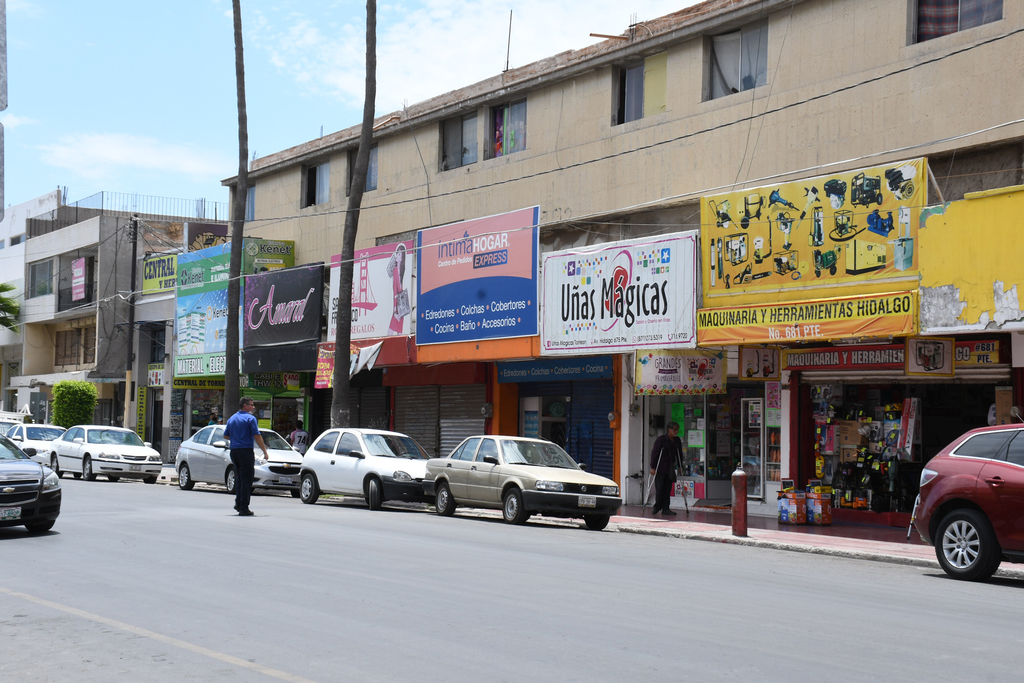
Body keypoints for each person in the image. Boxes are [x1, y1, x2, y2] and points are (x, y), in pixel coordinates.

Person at [224, 397, 269, 516]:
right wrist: (265, 451)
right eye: (252, 405)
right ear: (245, 406)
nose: (253, 407)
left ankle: (238, 502)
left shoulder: (232, 419)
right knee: (247, 479)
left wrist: (237, 438)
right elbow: (257, 436)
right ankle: (244, 506)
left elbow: (226, 436)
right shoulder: (250, 419)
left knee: (239, 477)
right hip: (245, 451)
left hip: (234, 451)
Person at [649, 421, 682, 517]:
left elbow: (679, 454)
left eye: (677, 430)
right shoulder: (661, 440)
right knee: (660, 488)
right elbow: (655, 453)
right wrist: (653, 467)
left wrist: (680, 466)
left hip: (670, 468)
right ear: (669, 429)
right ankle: (657, 506)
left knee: (668, 489)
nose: (676, 432)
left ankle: (666, 508)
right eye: (674, 429)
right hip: (660, 468)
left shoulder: (677, 441)